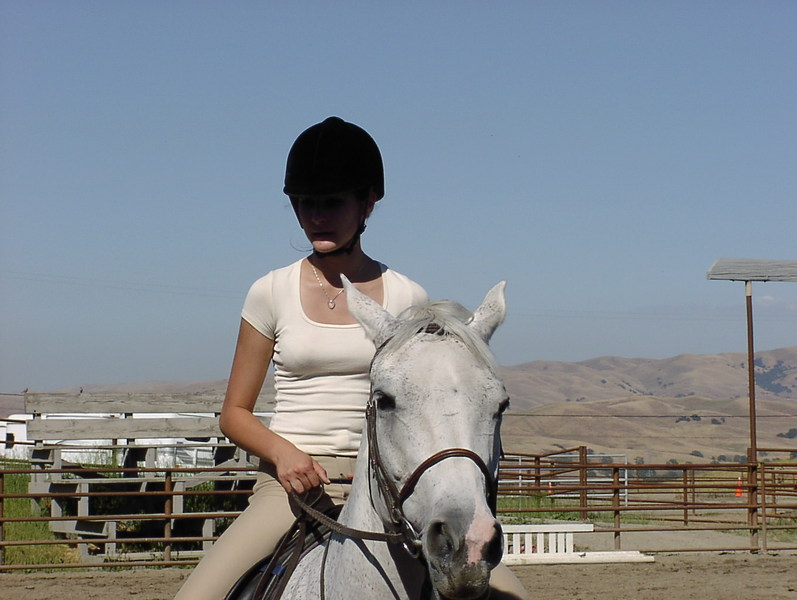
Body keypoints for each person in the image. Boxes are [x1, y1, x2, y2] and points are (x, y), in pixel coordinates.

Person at [174, 116, 528, 600]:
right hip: (290, 490)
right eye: (306, 203)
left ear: (368, 203)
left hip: (397, 486)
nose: (317, 216)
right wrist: (285, 455)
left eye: (333, 202)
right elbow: (234, 413)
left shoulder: (406, 296)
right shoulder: (269, 292)